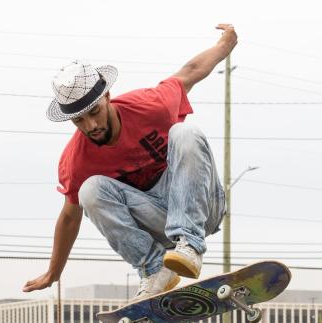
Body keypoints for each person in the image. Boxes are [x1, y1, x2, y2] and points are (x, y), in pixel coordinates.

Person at [22, 24, 238, 301]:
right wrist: (53, 272)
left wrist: (225, 45)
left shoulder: (150, 105)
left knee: (185, 132)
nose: (91, 126)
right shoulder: (76, 160)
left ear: (107, 98)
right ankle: (156, 269)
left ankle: (190, 245)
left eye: (95, 112)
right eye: (79, 121)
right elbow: (68, 217)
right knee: (89, 190)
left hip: (202, 207)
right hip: (157, 219)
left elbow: (190, 72)